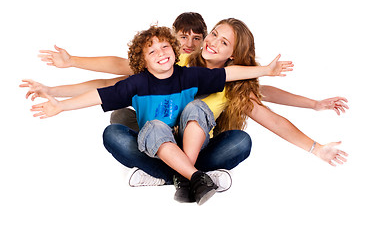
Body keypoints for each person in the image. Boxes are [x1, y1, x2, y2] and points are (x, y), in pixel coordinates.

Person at [24, 25, 292, 205]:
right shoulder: (136, 83)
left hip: (191, 146)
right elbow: (99, 93)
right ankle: (196, 178)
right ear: (142, 62)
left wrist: (265, 71)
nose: (160, 54)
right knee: (122, 131)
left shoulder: (189, 75)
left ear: (175, 52)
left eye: (165, 47)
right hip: (156, 146)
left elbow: (228, 74)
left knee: (201, 111)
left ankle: (180, 177)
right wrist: (60, 103)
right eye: (152, 51)